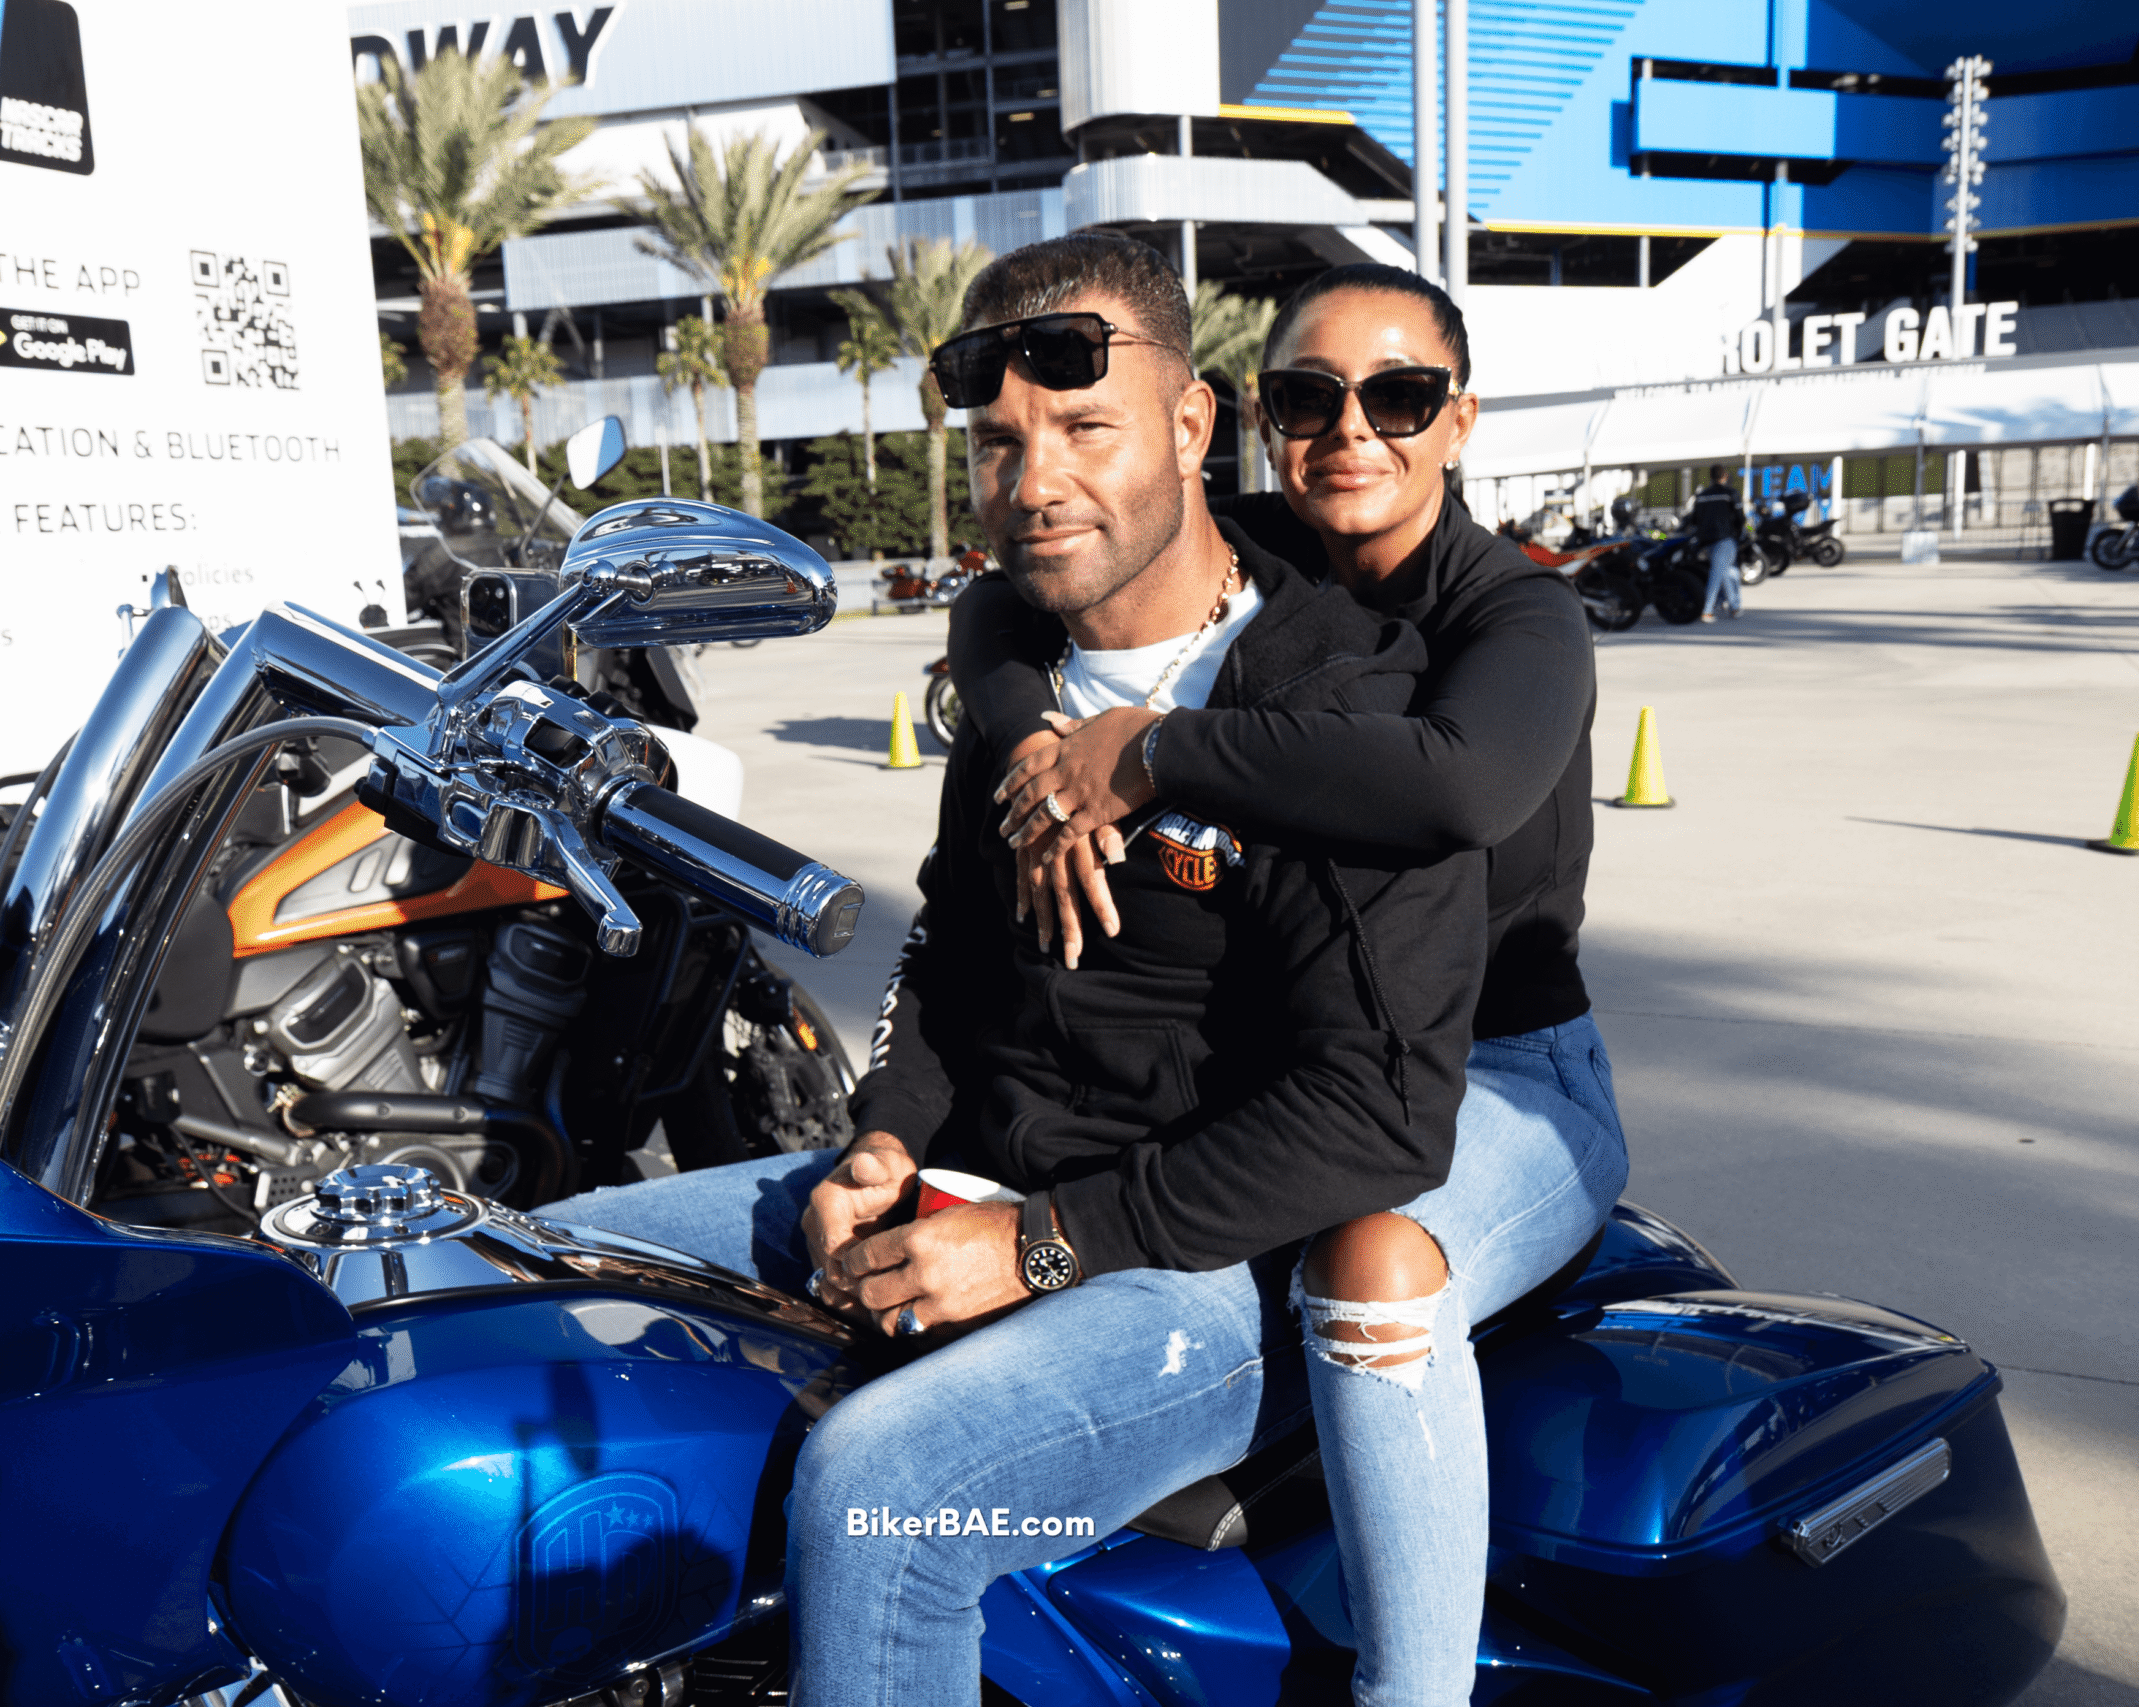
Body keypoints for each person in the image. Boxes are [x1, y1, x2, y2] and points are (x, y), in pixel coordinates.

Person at [537, 232, 1492, 1706]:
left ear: (1192, 423)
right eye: (998, 443)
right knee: (507, 1269)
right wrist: (883, 1136)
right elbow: (948, 949)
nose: (1034, 479)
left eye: (1086, 427)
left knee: (888, 1495)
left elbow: (1378, 1118)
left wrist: (1038, 1242)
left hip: (1211, 1259)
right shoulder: (1019, 682)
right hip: (979, 1184)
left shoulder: (1337, 714)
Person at [945, 259, 1630, 1704]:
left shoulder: (1518, 616)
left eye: (1400, 396)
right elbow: (999, 613)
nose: (1351, 431)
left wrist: (1152, 751)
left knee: (1371, 1261)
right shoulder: (1259, 553)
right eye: (1311, 398)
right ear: (1256, 418)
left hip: (1504, 1075)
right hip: (1312, 1051)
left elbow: (1456, 784)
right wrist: (1034, 748)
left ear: (1459, 419)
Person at [1693, 466, 1744, 620]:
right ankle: (1707, 610)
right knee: (1718, 575)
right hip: (1725, 539)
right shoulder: (1730, 493)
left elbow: (1694, 519)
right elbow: (1740, 517)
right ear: (1725, 476)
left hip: (1706, 541)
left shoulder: (1701, 496)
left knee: (1726, 572)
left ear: (1711, 476)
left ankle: (1735, 607)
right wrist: (1739, 532)